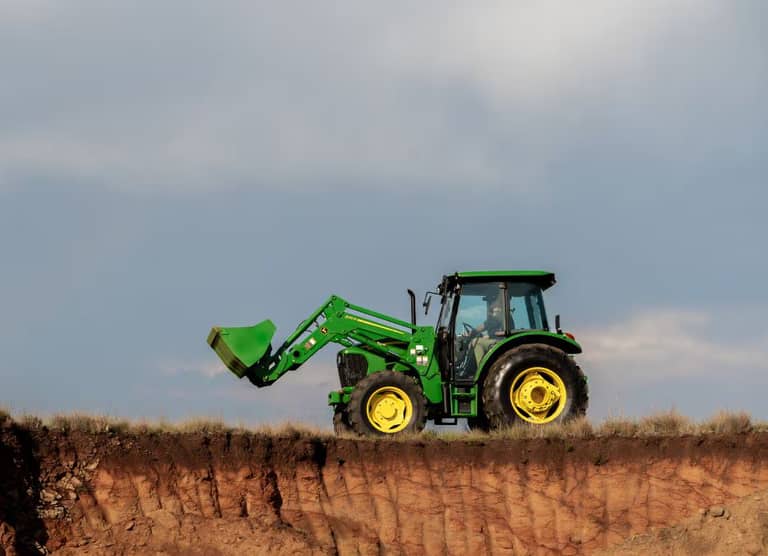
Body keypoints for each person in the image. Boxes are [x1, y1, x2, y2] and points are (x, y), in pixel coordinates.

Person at [470, 294, 505, 366]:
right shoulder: (502, 317)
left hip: (499, 341)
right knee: (476, 341)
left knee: (476, 342)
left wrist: (471, 333)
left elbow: (480, 328)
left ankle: (481, 367)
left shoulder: (497, 318)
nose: (492, 307)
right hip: (497, 339)